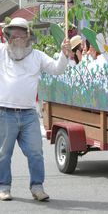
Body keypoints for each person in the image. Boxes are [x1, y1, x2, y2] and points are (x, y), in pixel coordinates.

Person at [0, 17, 71, 201]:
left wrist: (64, 54)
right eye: (12, 33)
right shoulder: (1, 52)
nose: (16, 37)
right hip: (4, 113)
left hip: (29, 114)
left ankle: (37, 187)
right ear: (7, 36)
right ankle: (4, 187)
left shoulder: (37, 56)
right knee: (2, 154)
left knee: (36, 152)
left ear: (27, 36)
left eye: (20, 33)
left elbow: (57, 69)